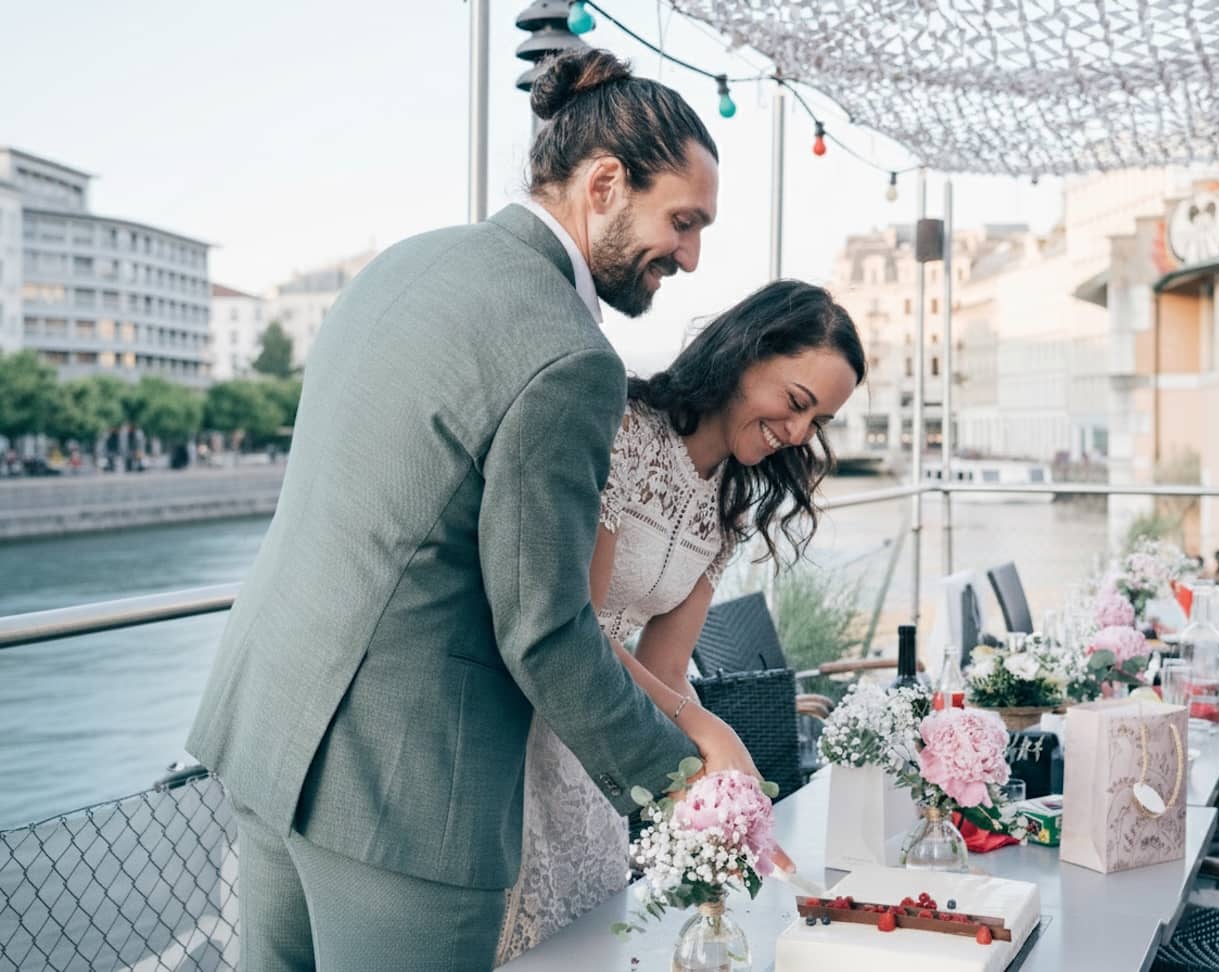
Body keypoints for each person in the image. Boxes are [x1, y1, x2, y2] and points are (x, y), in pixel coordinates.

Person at [186, 47, 730, 971]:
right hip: (403, 796)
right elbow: (545, 626)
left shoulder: (405, 263)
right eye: (683, 222)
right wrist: (685, 787)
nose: (690, 254)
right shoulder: (569, 355)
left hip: (266, 725)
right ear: (604, 184)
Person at [496, 278, 866, 963]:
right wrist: (704, 725)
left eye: (817, 423)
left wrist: (728, 787)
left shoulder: (727, 508)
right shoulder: (624, 434)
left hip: (605, 752)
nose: (798, 435)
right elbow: (578, 626)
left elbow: (667, 671)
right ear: (745, 354)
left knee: (592, 932)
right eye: (795, 404)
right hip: (534, 711)